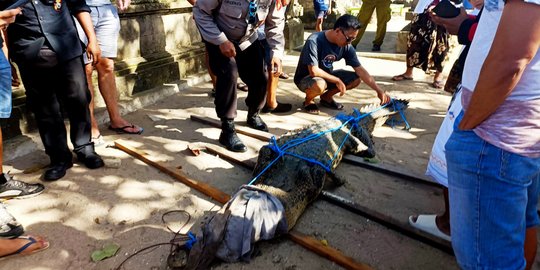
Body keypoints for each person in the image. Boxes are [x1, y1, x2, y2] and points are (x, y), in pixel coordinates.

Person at [444, 0, 540, 268]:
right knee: (522, 223)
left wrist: (468, 126)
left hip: (492, 136)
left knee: (485, 260)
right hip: (508, 132)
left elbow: (512, 60)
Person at [4, 0, 105, 181]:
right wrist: (7, 60)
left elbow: (79, 7)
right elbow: (3, 24)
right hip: (30, 53)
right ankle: (59, 158)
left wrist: (93, 40)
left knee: (79, 98)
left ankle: (84, 147)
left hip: (67, 48)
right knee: (45, 109)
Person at [408, 2, 483, 242]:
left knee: (454, 149)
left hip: (486, 93)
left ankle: (451, 224)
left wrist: (465, 26)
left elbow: (508, 45)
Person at [193, 0, 287, 152]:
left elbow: (275, 24)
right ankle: (227, 129)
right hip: (220, 37)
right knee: (229, 74)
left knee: (261, 77)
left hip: (247, 38)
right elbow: (200, 12)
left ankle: (253, 114)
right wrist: (220, 40)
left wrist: (276, 53)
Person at [75, 0, 143, 145]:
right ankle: (91, 125)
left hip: (106, 9)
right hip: (78, 9)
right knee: (85, 68)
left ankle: (116, 119)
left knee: (107, 66)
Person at [294, 14, 390, 115]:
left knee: (356, 78)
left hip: (326, 77)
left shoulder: (346, 46)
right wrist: (337, 80)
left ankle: (326, 97)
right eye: (348, 39)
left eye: (353, 39)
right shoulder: (314, 41)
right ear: (338, 31)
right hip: (306, 78)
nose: (349, 42)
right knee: (320, 84)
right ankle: (308, 101)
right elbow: (314, 71)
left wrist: (378, 90)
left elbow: (360, 70)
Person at [391, 0, 449, 89]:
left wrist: (437, 5)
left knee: (441, 44)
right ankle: (408, 72)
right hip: (422, 11)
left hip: (444, 12)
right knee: (414, 42)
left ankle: (438, 76)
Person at [258, 26, 292, 113]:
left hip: (253, 33)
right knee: (274, 64)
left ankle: (263, 101)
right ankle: (271, 102)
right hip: (264, 33)